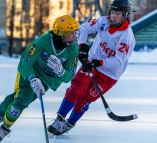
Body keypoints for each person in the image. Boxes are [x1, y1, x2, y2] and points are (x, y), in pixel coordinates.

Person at [0, 15, 80, 143]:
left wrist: (60, 71)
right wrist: (33, 79)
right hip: (28, 73)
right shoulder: (44, 41)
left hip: (45, 81)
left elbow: (68, 76)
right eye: (70, 33)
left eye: (74, 32)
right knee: (17, 101)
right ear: (61, 34)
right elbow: (25, 61)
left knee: (16, 103)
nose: (74, 35)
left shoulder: (73, 49)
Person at [47, 0, 136, 135]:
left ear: (125, 15)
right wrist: (82, 47)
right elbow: (83, 28)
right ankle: (59, 119)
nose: (113, 16)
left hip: (109, 74)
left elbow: (118, 62)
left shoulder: (127, 37)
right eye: (112, 12)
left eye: (117, 13)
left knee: (84, 100)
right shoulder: (103, 21)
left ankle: (69, 124)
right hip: (91, 63)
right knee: (75, 89)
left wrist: (98, 62)